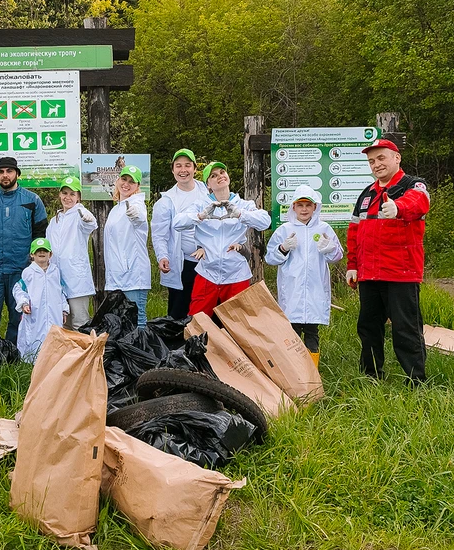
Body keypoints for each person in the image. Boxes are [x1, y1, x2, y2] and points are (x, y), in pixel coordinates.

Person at [346, 138, 430, 384]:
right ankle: (371, 377)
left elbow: (419, 202)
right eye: (372, 161)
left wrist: (399, 208)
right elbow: (354, 230)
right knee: (368, 328)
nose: (376, 164)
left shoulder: (412, 185)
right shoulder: (366, 194)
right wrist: (352, 265)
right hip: (369, 274)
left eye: (381, 158)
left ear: (397, 158)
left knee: (406, 330)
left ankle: (416, 381)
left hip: (400, 273)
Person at [174, 161, 270, 317]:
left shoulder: (244, 204)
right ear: (208, 185)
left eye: (222, 172)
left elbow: (264, 221)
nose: (219, 177)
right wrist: (200, 216)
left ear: (228, 177)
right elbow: (177, 223)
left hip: (236, 273)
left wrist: (240, 214)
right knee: (197, 320)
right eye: (213, 175)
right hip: (207, 273)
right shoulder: (200, 205)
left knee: (239, 323)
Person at [0, 157, 48, 342]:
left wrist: (37, 262)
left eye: (9, 171)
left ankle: (15, 351)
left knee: (19, 311)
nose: (5, 175)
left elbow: (40, 235)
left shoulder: (32, 200)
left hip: (22, 267)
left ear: (17, 173)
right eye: (1, 172)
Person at [265, 185, 344, 366]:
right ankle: (294, 371)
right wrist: (283, 248)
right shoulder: (284, 230)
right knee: (291, 333)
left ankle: (311, 372)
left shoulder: (324, 228)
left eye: (308, 205)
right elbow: (270, 258)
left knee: (311, 331)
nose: (304, 209)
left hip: (315, 289)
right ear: (293, 207)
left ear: (315, 207)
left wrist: (329, 248)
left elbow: (337, 256)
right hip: (292, 290)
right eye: (300, 205)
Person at [151, 148, 209, 319]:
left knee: (206, 309)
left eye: (187, 165)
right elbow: (160, 234)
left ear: (195, 169)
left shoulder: (207, 193)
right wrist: (162, 256)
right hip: (183, 264)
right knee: (179, 310)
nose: (183, 170)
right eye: (178, 166)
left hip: (208, 262)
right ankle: (178, 344)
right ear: (173, 170)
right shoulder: (166, 201)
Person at [45, 175, 96, 330]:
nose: (68, 197)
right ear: (60, 195)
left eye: (72, 194)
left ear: (78, 197)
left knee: (80, 322)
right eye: (65, 193)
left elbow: (90, 224)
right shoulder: (55, 220)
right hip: (57, 280)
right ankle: (68, 355)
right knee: (62, 322)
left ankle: (85, 354)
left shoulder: (80, 213)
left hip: (77, 279)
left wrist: (88, 220)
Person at [104, 165, 152, 326]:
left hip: (133, 275)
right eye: (124, 179)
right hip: (117, 275)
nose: (126, 184)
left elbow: (139, 217)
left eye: (132, 182)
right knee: (121, 323)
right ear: (118, 181)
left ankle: (143, 351)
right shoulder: (116, 208)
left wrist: (135, 215)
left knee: (138, 321)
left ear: (138, 186)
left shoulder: (137, 204)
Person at [12, 238, 69, 361]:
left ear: (50, 254)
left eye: (44, 250)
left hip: (54, 313)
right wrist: (24, 303)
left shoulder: (56, 272)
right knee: (34, 338)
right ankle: (33, 362)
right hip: (35, 315)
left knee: (55, 337)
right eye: (38, 251)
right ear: (32, 254)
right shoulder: (28, 272)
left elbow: (62, 292)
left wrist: (64, 309)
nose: (41, 253)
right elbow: (19, 289)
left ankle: (53, 361)